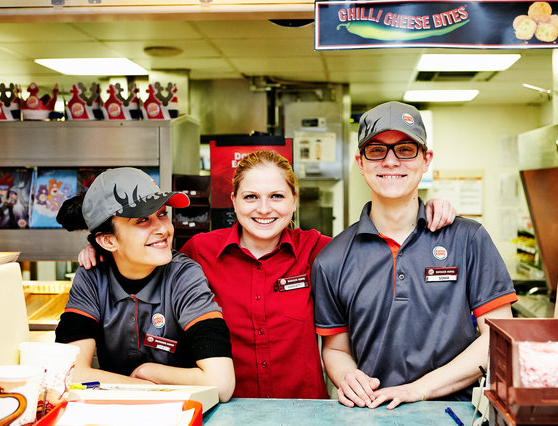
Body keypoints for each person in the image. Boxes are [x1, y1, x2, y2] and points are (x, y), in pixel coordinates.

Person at [79, 151, 456, 399]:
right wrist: (97, 251)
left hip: (307, 413)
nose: (264, 209)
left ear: (295, 201)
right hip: (225, 409)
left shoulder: (322, 250)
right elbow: (142, 254)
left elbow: (386, 240)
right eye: (251, 197)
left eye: (277, 197)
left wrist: (425, 208)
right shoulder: (200, 251)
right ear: (234, 202)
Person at [312, 101, 518, 409]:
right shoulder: (331, 260)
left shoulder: (467, 239)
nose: (391, 162)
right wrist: (349, 378)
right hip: (373, 412)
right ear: (360, 162)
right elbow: (336, 350)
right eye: (376, 150)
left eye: (405, 149)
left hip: (457, 413)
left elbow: (497, 339)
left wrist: (417, 389)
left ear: (426, 159)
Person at [55, 167, 235, 402]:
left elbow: (222, 384)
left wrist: (150, 371)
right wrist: (142, 385)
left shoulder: (184, 275)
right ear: (108, 240)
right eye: (142, 220)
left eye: (162, 214)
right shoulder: (91, 277)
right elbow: (67, 373)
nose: (162, 229)